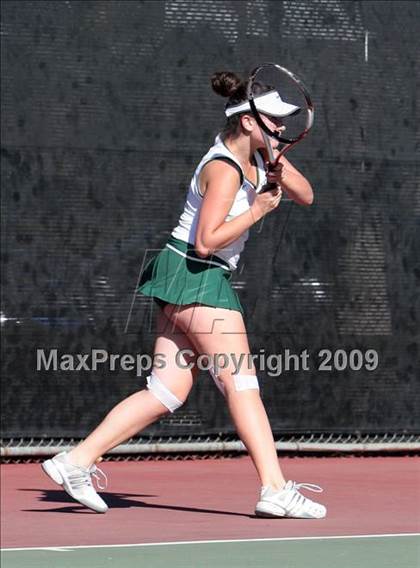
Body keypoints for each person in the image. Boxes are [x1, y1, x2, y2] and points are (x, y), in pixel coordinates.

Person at [42, 71, 326, 519]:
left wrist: (279, 169)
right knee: (242, 383)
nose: (280, 128)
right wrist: (256, 209)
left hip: (182, 273)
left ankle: (74, 462)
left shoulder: (257, 157)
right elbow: (206, 242)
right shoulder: (224, 169)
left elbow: (307, 196)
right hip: (198, 271)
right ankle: (275, 488)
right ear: (249, 122)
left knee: (166, 391)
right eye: (273, 120)